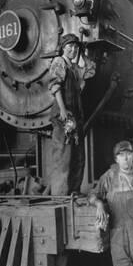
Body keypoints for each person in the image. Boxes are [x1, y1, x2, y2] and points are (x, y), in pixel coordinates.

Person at [48, 33, 95, 195]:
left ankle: (74, 190)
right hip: (64, 116)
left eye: (75, 47)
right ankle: (60, 194)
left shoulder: (74, 69)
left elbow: (90, 71)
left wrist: (82, 53)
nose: (73, 50)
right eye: (70, 47)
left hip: (76, 117)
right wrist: (62, 109)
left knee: (78, 155)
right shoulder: (59, 62)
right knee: (63, 155)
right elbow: (55, 86)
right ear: (63, 48)